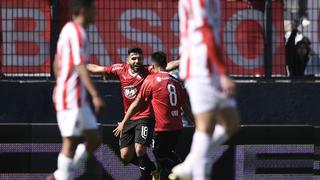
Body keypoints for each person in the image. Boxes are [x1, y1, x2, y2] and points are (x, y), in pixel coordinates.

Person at [170, 0, 240, 179]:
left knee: (230, 123)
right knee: (205, 128)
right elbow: (205, 32)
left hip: (211, 70)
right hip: (199, 68)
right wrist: (223, 73)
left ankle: (189, 165)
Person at [86, 48, 179, 179]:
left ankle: (149, 174)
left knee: (140, 149)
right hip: (129, 118)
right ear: (128, 60)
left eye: (139, 58)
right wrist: (78, 65)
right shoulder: (120, 70)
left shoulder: (148, 71)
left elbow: (167, 66)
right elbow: (97, 69)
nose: (137, 61)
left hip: (145, 116)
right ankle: (152, 167)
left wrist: (184, 61)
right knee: (125, 156)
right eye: (134, 58)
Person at [47, 0, 105, 180]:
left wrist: (61, 81)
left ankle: (61, 175)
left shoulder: (67, 30)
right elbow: (80, 65)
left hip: (77, 97)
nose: (95, 13)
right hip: (71, 96)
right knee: (69, 142)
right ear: (82, 10)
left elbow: (57, 61)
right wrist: (95, 95)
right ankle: (64, 176)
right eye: (92, 9)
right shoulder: (77, 32)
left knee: (94, 140)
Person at [113, 51, 194, 180]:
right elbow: (186, 108)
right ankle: (178, 168)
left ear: (153, 65)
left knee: (151, 157)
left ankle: (179, 171)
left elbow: (136, 103)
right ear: (165, 64)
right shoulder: (177, 82)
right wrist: (197, 124)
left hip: (160, 128)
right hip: (177, 128)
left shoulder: (150, 80)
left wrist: (123, 121)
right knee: (161, 155)